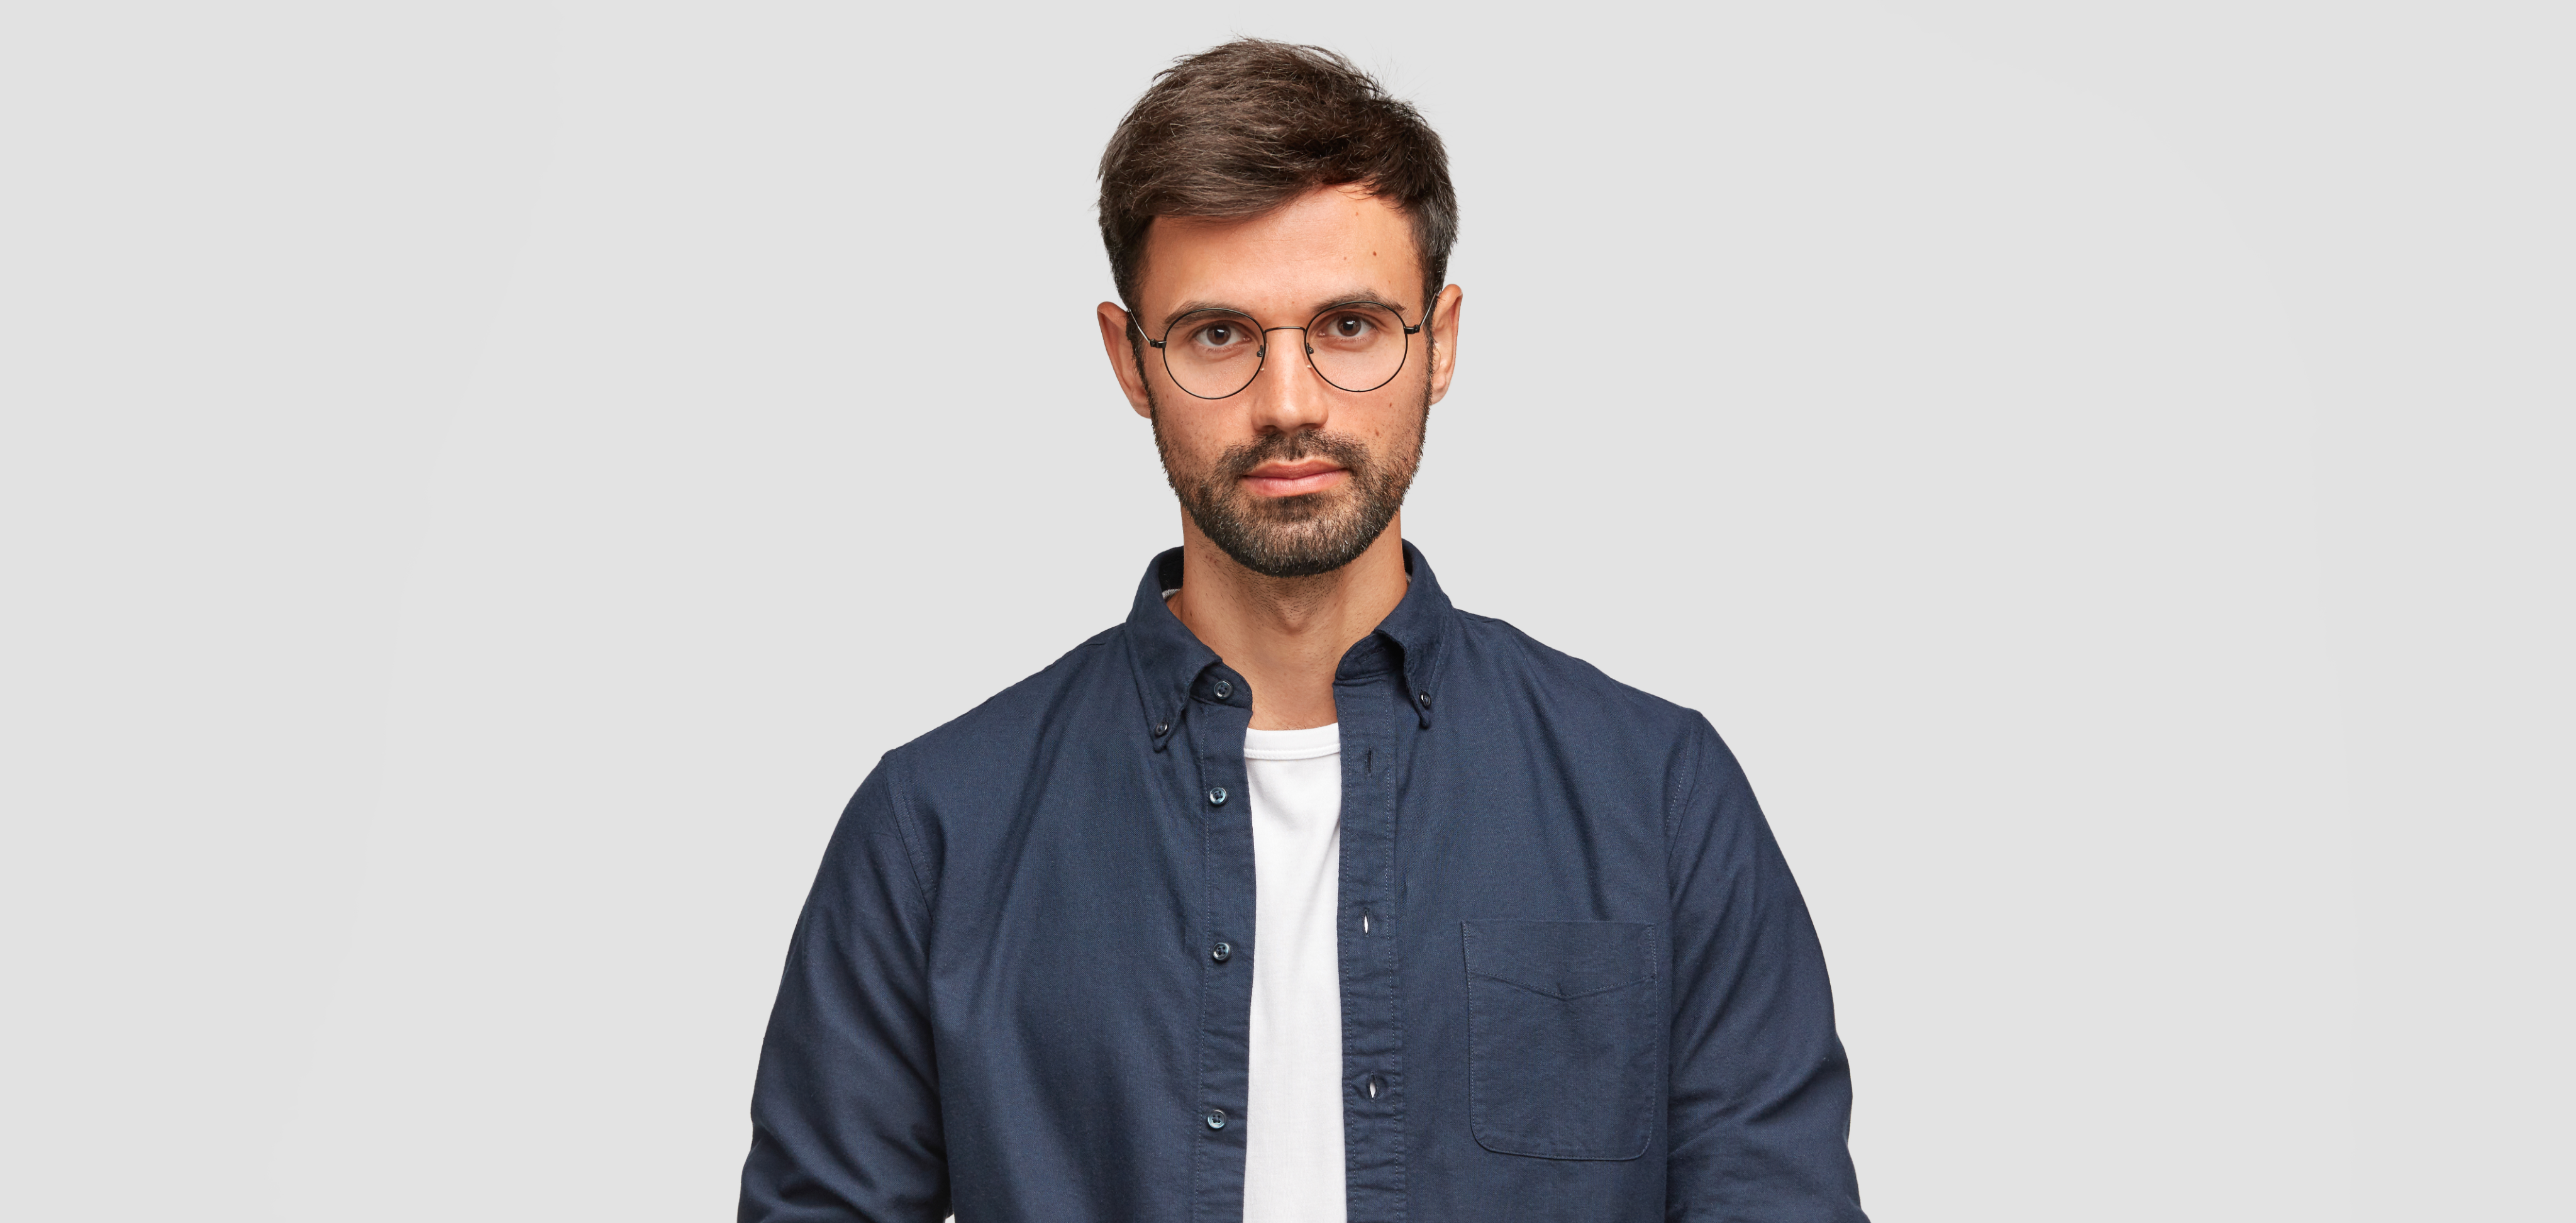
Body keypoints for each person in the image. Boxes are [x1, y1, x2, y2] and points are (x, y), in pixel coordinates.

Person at [741, 38, 1867, 1223]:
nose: (1290, 403)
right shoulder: (935, 831)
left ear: (1440, 342)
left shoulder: (1657, 796)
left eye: (1349, 326)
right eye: (1219, 335)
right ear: (1130, 360)